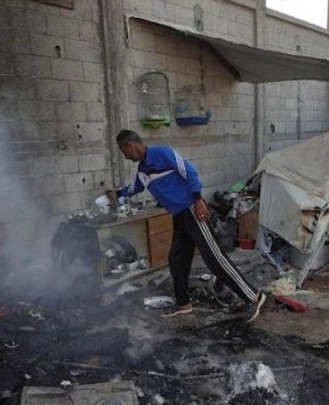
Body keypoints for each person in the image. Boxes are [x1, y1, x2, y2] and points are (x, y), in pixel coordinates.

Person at [110, 129, 268, 321]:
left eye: (124, 151)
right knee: (177, 260)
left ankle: (254, 297)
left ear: (130, 145)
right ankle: (184, 304)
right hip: (178, 216)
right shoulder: (143, 170)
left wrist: (198, 200)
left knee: (215, 259)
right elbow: (136, 187)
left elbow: (189, 171)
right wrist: (117, 194)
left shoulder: (161, 153)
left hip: (192, 210)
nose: (125, 157)